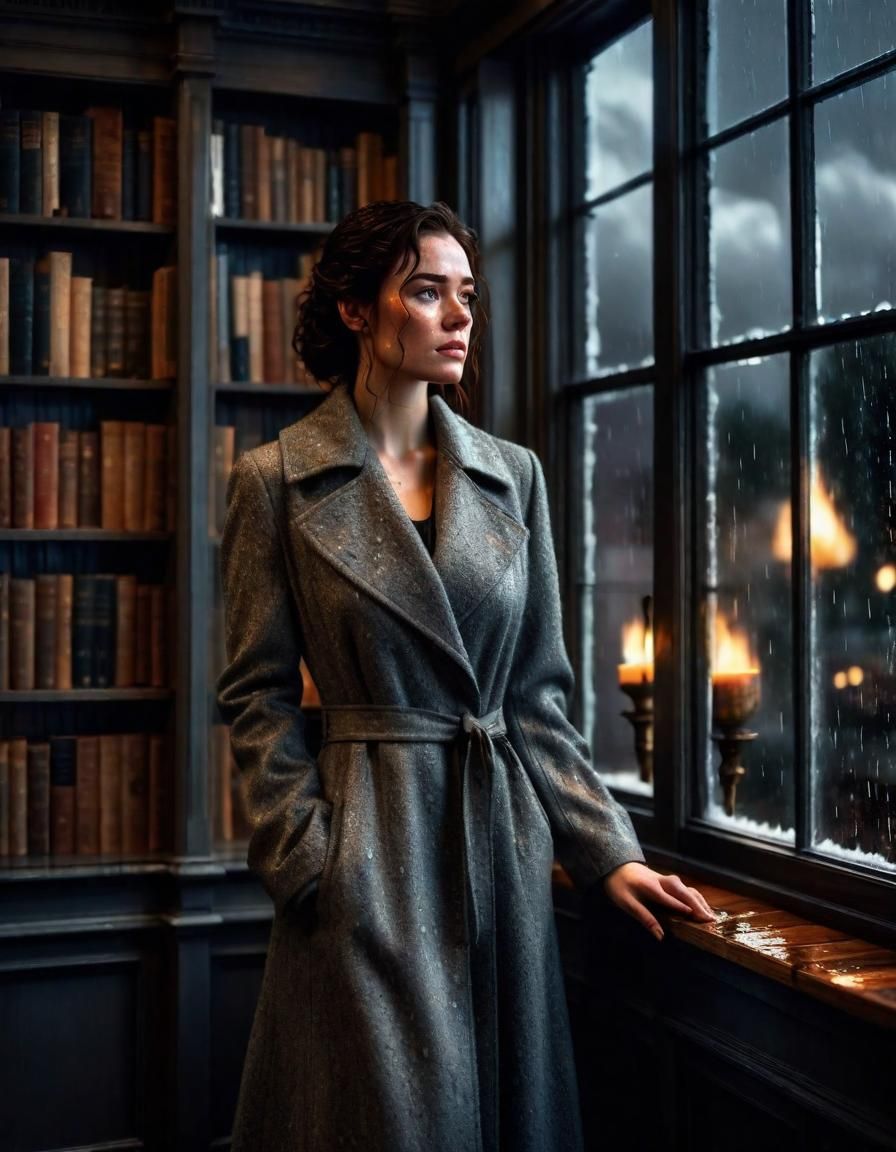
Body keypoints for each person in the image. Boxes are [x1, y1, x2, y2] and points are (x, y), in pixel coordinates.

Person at [216, 199, 714, 1152]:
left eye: (467, 296)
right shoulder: (274, 482)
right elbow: (256, 695)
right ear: (359, 312)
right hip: (367, 855)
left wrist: (608, 851)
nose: (458, 317)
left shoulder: (512, 475)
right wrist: (309, 857)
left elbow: (536, 697)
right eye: (427, 292)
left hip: (499, 854)